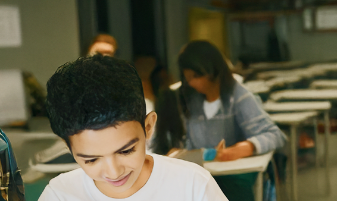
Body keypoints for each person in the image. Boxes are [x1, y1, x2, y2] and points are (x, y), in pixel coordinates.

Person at [40, 54, 227, 201]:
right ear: (68, 146)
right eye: (91, 160)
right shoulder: (60, 195)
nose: (114, 172)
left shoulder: (192, 184)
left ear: (148, 126)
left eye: (126, 151)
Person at [177, 41, 286, 201]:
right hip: (203, 175)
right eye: (188, 79)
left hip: (235, 179)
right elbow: (190, 145)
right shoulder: (192, 103)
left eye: (196, 76)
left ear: (212, 70)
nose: (192, 83)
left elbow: (275, 135)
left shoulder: (240, 97)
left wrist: (247, 147)